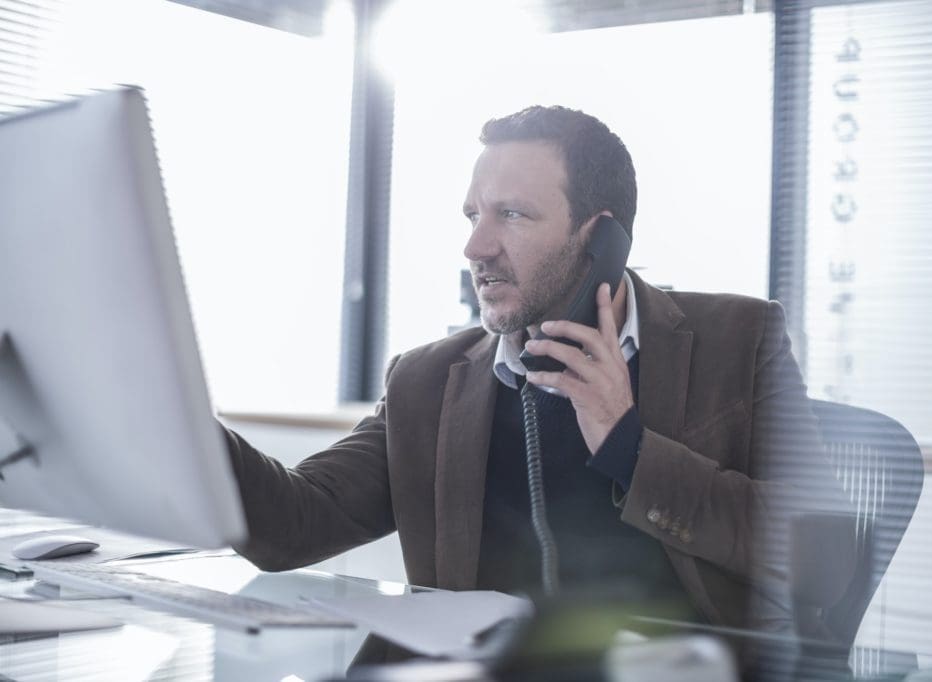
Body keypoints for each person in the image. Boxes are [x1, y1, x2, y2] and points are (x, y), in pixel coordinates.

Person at [223, 105, 851, 636]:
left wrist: (629, 446)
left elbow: (826, 561)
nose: (476, 247)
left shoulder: (737, 342)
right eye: (474, 216)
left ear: (600, 237)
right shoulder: (425, 382)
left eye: (512, 215)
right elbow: (290, 527)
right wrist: (165, 407)